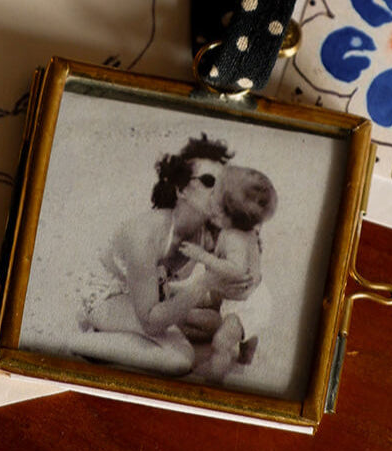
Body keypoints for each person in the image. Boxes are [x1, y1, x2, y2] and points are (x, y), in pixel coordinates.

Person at [73, 134, 253, 375]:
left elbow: (241, 273)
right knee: (179, 359)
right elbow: (150, 320)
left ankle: (118, 336)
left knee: (214, 323)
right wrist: (205, 284)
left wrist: (240, 282)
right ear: (181, 189)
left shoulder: (208, 230)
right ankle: (78, 342)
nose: (218, 192)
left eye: (223, 185)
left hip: (154, 292)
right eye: (209, 181)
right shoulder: (145, 235)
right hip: (108, 295)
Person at [172, 165, 278, 383]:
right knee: (247, 330)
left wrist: (204, 257)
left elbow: (236, 270)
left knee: (222, 342)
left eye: (218, 205)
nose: (214, 207)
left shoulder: (235, 239)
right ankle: (247, 353)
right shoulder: (246, 231)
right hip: (250, 297)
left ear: (229, 214)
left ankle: (215, 376)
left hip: (246, 304)